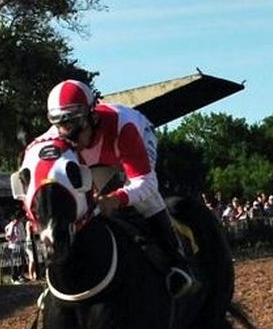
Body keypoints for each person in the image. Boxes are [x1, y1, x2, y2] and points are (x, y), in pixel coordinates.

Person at [39, 78, 201, 298]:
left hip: (135, 140)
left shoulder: (123, 126)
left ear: (92, 116)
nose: (70, 138)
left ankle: (177, 263)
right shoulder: (52, 139)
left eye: (76, 126)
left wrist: (117, 199)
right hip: (98, 159)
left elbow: (145, 182)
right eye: (62, 127)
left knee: (146, 198)